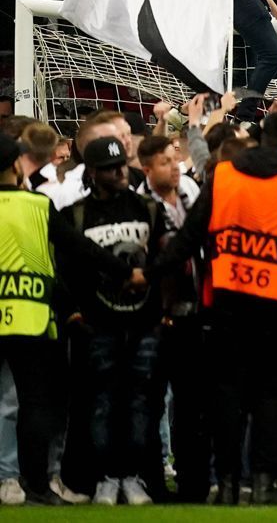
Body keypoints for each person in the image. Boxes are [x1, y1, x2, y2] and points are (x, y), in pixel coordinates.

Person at [146, 111, 277, 505]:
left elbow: (189, 238)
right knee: (268, 395)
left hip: (227, 299)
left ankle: (226, 483)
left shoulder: (223, 175)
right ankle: (260, 484)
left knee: (226, 393)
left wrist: (151, 272)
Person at [0, 134, 136, 506]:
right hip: (31, 317)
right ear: (16, 167)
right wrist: (123, 271)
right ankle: (36, 484)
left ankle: (9, 479)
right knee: (34, 405)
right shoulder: (37, 205)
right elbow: (81, 248)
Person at [60, 137, 169, 507]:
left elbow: (166, 259)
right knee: (101, 402)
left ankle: (134, 476)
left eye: (122, 164)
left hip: (145, 320)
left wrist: (163, 309)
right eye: (110, 167)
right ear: (92, 172)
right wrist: (74, 313)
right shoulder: (75, 215)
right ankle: (106, 477)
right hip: (98, 322)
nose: (120, 171)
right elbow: (65, 272)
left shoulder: (148, 209)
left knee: (141, 401)